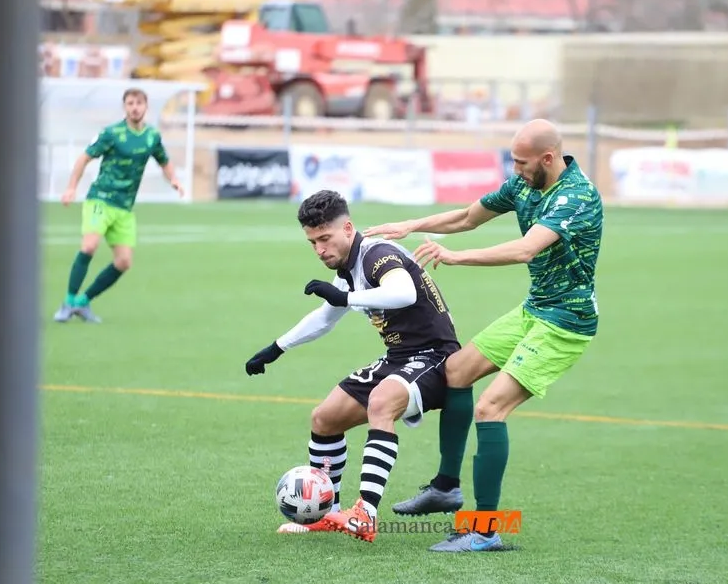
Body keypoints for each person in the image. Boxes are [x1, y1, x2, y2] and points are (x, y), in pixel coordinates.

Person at [363, 118, 604, 553]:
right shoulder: (524, 183)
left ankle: (486, 529)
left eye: (521, 161)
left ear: (547, 159)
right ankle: (445, 488)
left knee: (491, 409)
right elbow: (468, 216)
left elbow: (526, 248)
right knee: (456, 371)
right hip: (534, 310)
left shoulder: (575, 197)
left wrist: (455, 258)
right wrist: (411, 226)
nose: (515, 168)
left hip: (565, 322)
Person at [244, 189, 461, 543]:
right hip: (399, 358)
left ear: (348, 228)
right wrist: (276, 348)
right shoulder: (347, 265)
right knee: (325, 418)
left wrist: (346, 297)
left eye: (324, 238)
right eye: (312, 242)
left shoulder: (377, 253)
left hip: (435, 357)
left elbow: (403, 292)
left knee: (380, 403)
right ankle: (327, 513)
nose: (319, 249)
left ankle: (365, 514)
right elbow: (326, 317)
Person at [53, 88, 184, 323]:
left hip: (124, 208)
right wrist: (71, 187)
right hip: (101, 199)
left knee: (123, 262)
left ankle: (83, 302)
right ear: (125, 107)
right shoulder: (111, 133)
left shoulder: (152, 136)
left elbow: (164, 161)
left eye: (139, 103)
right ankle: (68, 300)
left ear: (146, 107)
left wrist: (174, 179)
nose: (135, 107)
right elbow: (84, 158)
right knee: (89, 246)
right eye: (130, 103)